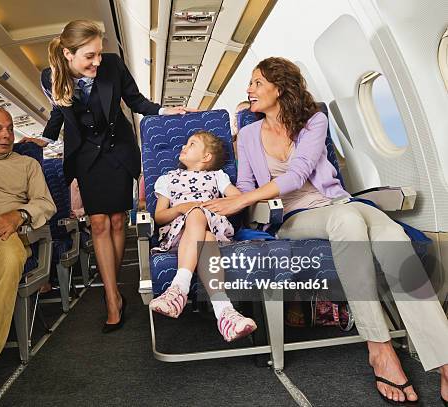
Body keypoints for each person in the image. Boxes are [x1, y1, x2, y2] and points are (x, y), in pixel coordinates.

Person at [204, 56, 448, 405]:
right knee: (350, 220)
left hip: (339, 204)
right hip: (293, 216)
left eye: (257, 82)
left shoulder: (313, 121)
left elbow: (298, 173)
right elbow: (246, 186)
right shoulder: (247, 134)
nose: (249, 89)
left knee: (392, 235)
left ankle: (444, 360)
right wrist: (227, 201)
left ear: (279, 88)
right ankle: (379, 348)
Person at [26, 19, 193, 332]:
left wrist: (162, 111)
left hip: (118, 150)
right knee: (99, 222)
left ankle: (111, 286)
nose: (97, 61)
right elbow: (57, 115)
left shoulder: (113, 65)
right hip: (87, 157)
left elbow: (135, 100)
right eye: (89, 56)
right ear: (67, 54)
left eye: (99, 54)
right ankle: (112, 297)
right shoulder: (50, 77)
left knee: (118, 220)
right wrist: (45, 140)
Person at [0, 106, 56, 385]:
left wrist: (18, 215)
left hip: (4, 234)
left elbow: (46, 203)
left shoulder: (27, 165)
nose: (6, 135)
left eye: (10, 129)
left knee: (11, 256)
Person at [148, 131, 257, 342]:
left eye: (192, 144)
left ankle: (179, 289)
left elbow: (237, 199)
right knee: (198, 223)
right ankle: (225, 311)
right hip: (179, 231)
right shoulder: (168, 179)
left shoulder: (218, 177)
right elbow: (160, 216)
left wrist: (215, 206)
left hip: (212, 227)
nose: (183, 146)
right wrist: (183, 208)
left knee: (203, 228)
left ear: (206, 157)